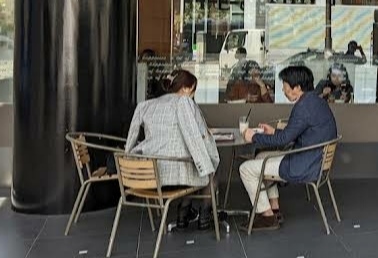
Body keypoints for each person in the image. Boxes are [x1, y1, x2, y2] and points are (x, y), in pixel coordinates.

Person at [240, 64, 338, 230]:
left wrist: (253, 136)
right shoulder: (316, 101)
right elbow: (298, 131)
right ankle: (274, 207)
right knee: (260, 157)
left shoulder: (303, 107)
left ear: (297, 88)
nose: (283, 91)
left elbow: (283, 140)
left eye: (285, 87)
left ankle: (267, 217)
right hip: (315, 160)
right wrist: (274, 131)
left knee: (245, 168)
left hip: (304, 165)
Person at [125, 70, 220, 230]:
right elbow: (195, 136)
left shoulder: (145, 105)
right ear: (186, 88)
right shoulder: (184, 102)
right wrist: (208, 160)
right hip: (175, 176)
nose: (193, 94)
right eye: (193, 90)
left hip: (148, 175)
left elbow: (131, 139)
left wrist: (128, 163)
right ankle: (204, 215)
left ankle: (184, 214)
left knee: (193, 167)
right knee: (208, 170)